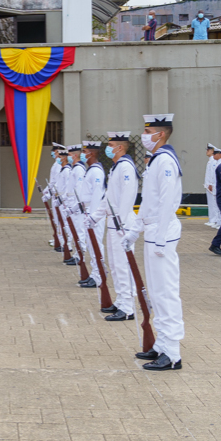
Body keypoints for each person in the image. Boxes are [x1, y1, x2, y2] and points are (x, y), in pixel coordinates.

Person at [122, 114, 184, 370]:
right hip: (153, 233)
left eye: (148, 131)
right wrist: (134, 230)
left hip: (162, 235)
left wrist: (159, 240)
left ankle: (172, 353)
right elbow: (147, 203)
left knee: (166, 292)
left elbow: (168, 201)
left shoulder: (166, 161)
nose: (144, 135)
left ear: (160, 134)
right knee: (155, 294)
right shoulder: (156, 161)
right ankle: (161, 344)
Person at [88, 132, 139, 321]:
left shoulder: (126, 167)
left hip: (121, 224)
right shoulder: (116, 167)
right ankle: (120, 301)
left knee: (123, 265)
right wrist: (95, 217)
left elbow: (128, 196)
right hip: (113, 223)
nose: (107, 148)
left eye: (110, 145)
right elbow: (108, 198)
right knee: (116, 265)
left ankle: (128, 307)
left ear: (120, 147)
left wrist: (122, 222)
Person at [77, 141, 106, 289]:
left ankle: (99, 275)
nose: (82, 154)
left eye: (84, 151)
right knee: (91, 244)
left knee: (96, 245)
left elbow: (97, 194)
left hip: (95, 213)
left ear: (92, 153)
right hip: (89, 212)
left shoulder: (96, 171)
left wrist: (93, 216)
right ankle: (95, 273)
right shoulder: (91, 170)